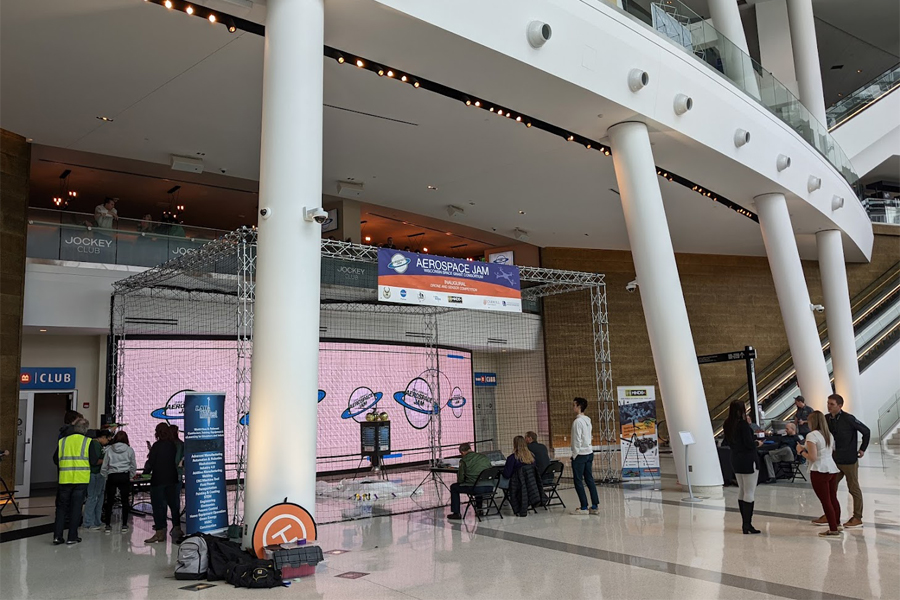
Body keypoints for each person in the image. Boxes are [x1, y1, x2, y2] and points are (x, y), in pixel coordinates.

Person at [812, 394, 870, 528]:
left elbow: (866, 431)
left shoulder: (849, 419)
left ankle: (857, 517)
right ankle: (830, 515)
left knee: (853, 488)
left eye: (832, 404)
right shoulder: (826, 419)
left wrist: (862, 449)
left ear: (840, 406)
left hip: (849, 460)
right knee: (830, 489)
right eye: (828, 403)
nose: (828, 406)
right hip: (834, 460)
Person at [798, 411, 842, 538]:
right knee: (833, 497)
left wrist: (801, 451)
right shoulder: (829, 434)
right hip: (831, 468)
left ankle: (833, 529)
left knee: (825, 500)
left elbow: (812, 457)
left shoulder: (811, 435)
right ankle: (837, 523)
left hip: (819, 470)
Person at [52, 418, 95, 545]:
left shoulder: (63, 441)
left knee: (61, 508)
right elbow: (93, 461)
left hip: (65, 479)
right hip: (81, 480)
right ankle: (72, 537)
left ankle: (57, 536)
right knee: (76, 508)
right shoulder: (88, 442)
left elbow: (55, 459)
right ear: (85, 429)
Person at [723, 400, 761, 534]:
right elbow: (749, 444)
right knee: (749, 491)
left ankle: (745, 523)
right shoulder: (744, 425)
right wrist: (757, 443)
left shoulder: (727, 424)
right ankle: (747, 524)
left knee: (742, 490)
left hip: (735, 459)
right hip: (748, 459)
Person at [144, 422, 182, 542]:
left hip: (159, 479)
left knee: (159, 506)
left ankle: (160, 532)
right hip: (172, 478)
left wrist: (146, 471)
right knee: (174, 504)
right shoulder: (173, 445)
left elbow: (152, 462)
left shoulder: (156, 446)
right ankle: (177, 528)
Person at [101, 431, 137, 533]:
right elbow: (133, 465)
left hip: (112, 475)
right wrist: (130, 476)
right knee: (125, 501)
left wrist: (106, 476)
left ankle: (108, 525)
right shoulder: (129, 450)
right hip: (124, 475)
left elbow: (104, 466)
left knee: (110, 501)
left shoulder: (109, 450)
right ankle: (124, 525)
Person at [570, 397, 600, 516]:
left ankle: (583, 507)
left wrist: (574, 454)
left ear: (579, 406)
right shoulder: (588, 420)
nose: (573, 407)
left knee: (578, 480)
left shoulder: (577, 422)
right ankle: (594, 506)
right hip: (589, 452)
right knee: (589, 479)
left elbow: (577, 440)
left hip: (580, 454)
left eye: (574, 405)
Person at [447, 443, 492, 521]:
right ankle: (479, 509)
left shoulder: (464, 460)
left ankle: (456, 513)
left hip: (476, 488)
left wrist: (463, 480)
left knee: (454, 487)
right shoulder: (484, 457)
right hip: (489, 487)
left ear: (462, 452)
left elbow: (460, 479)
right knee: (478, 482)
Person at [83, 430, 111, 530]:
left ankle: (97, 521)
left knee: (99, 498)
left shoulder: (97, 445)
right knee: (93, 498)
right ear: (102, 437)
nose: (108, 441)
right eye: (107, 438)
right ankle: (89, 523)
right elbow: (94, 461)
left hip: (99, 474)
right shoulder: (95, 444)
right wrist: (107, 460)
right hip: (95, 474)